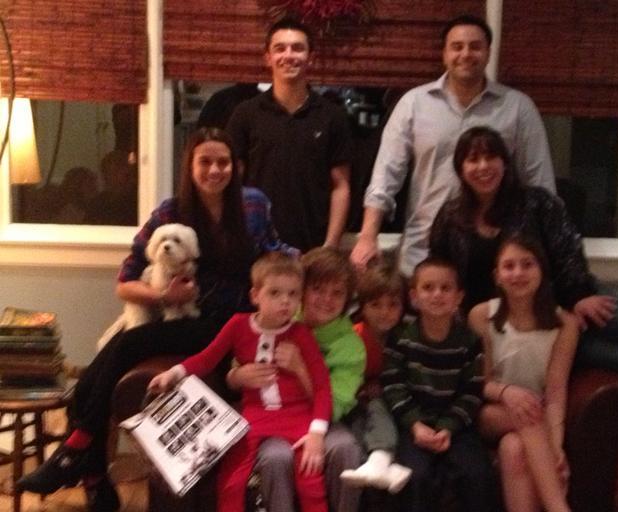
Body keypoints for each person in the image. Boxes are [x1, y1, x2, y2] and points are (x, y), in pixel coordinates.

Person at [17, 127, 297, 512]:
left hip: (234, 323)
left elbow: (276, 251)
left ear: (235, 166)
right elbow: (126, 281)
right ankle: (88, 467)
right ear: (190, 166)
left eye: (223, 162)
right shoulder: (170, 212)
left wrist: (311, 265)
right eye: (205, 161)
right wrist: (165, 296)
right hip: (184, 316)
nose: (215, 170)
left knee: (126, 344)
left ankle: (78, 453)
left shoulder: (253, 205)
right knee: (99, 372)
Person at [429, 125, 618, 425]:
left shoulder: (537, 202)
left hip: (559, 300)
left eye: (491, 157)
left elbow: (567, 249)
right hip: (506, 322)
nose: (483, 166)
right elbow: (442, 270)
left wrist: (578, 296)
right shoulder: (451, 217)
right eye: (473, 159)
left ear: (505, 163)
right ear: (461, 168)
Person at [350, 14, 555, 277]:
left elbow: (540, 185)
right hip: (424, 252)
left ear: (488, 53)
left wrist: (544, 250)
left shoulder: (517, 108)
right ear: (444, 54)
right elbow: (386, 176)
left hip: (496, 256)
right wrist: (368, 235)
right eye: (457, 47)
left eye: (475, 46)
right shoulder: (413, 104)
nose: (466, 54)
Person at [148, 252, 332, 512]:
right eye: (275, 293)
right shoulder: (238, 325)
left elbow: (323, 387)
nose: (285, 301)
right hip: (254, 416)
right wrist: (174, 373)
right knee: (232, 479)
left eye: (293, 294)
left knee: (310, 480)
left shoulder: (301, 334)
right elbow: (206, 359)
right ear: (255, 295)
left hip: (297, 417)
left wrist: (317, 432)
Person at [228, 247, 366, 512]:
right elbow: (237, 362)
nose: (326, 299)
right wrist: (237, 376)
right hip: (271, 418)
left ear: (348, 300)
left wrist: (301, 368)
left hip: (321, 422)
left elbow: (333, 409)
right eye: (318, 289)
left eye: (337, 293)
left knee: (345, 447)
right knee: (276, 456)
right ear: (302, 290)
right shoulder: (282, 313)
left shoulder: (351, 345)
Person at [468, 234, 579, 512]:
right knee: (527, 414)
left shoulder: (565, 323)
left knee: (513, 448)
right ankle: (558, 507)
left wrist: (555, 445)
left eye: (527, 264)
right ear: (497, 276)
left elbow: (555, 391)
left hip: (535, 416)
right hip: (489, 411)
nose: (518, 273)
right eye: (509, 266)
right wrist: (508, 393)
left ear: (541, 270)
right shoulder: (481, 315)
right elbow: (480, 383)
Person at [382, 257, 496, 512]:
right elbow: (393, 386)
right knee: (415, 476)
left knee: (478, 474)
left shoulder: (469, 341)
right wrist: (415, 425)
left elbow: (471, 392)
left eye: (446, 288)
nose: (437, 294)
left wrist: (448, 427)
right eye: (428, 287)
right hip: (413, 424)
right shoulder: (401, 337)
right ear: (414, 296)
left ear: (458, 297)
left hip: (456, 426)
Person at [228, 18, 352, 251]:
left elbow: (341, 186)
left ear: (310, 57)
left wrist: (330, 245)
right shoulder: (246, 114)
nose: (288, 55)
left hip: (313, 249)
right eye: (280, 48)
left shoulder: (332, 116)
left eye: (297, 48)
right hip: (258, 248)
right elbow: (233, 182)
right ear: (268, 58)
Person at [339, 262, 412, 493]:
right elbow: (344, 377)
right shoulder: (354, 335)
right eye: (375, 305)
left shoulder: (406, 336)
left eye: (393, 305)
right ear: (363, 306)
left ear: (403, 306)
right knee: (359, 424)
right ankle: (385, 467)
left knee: (378, 406)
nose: (384, 312)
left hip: (396, 401)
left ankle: (381, 460)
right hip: (357, 401)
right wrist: (361, 389)